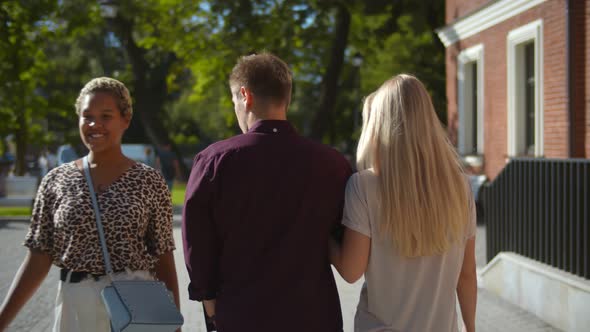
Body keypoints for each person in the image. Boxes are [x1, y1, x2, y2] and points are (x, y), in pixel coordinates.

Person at [182, 53, 352, 332]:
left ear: (245, 95)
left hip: (242, 314)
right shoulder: (331, 163)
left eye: (233, 99)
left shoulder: (215, 161)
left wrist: (208, 300)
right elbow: (347, 237)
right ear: (287, 97)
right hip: (315, 315)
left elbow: (197, 243)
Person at [0, 77, 181, 332]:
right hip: (75, 309)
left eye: (106, 116)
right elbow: (38, 256)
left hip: (134, 308)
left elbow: (163, 259)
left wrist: (174, 326)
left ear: (125, 119)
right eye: (87, 116)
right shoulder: (56, 180)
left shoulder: (149, 181)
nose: (95, 124)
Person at [330, 74, 478, 332]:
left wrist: (324, 239)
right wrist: (471, 327)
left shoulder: (363, 186)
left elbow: (351, 271)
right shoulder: (460, 186)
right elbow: (466, 275)